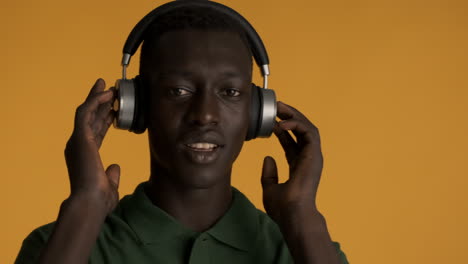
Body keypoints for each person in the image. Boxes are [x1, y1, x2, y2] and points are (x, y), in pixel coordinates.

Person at [15, 2, 349, 264]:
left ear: (257, 113)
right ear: (135, 105)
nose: (204, 114)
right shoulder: (60, 245)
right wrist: (86, 204)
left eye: (230, 92)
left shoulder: (307, 248)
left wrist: (301, 214)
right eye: (178, 91)